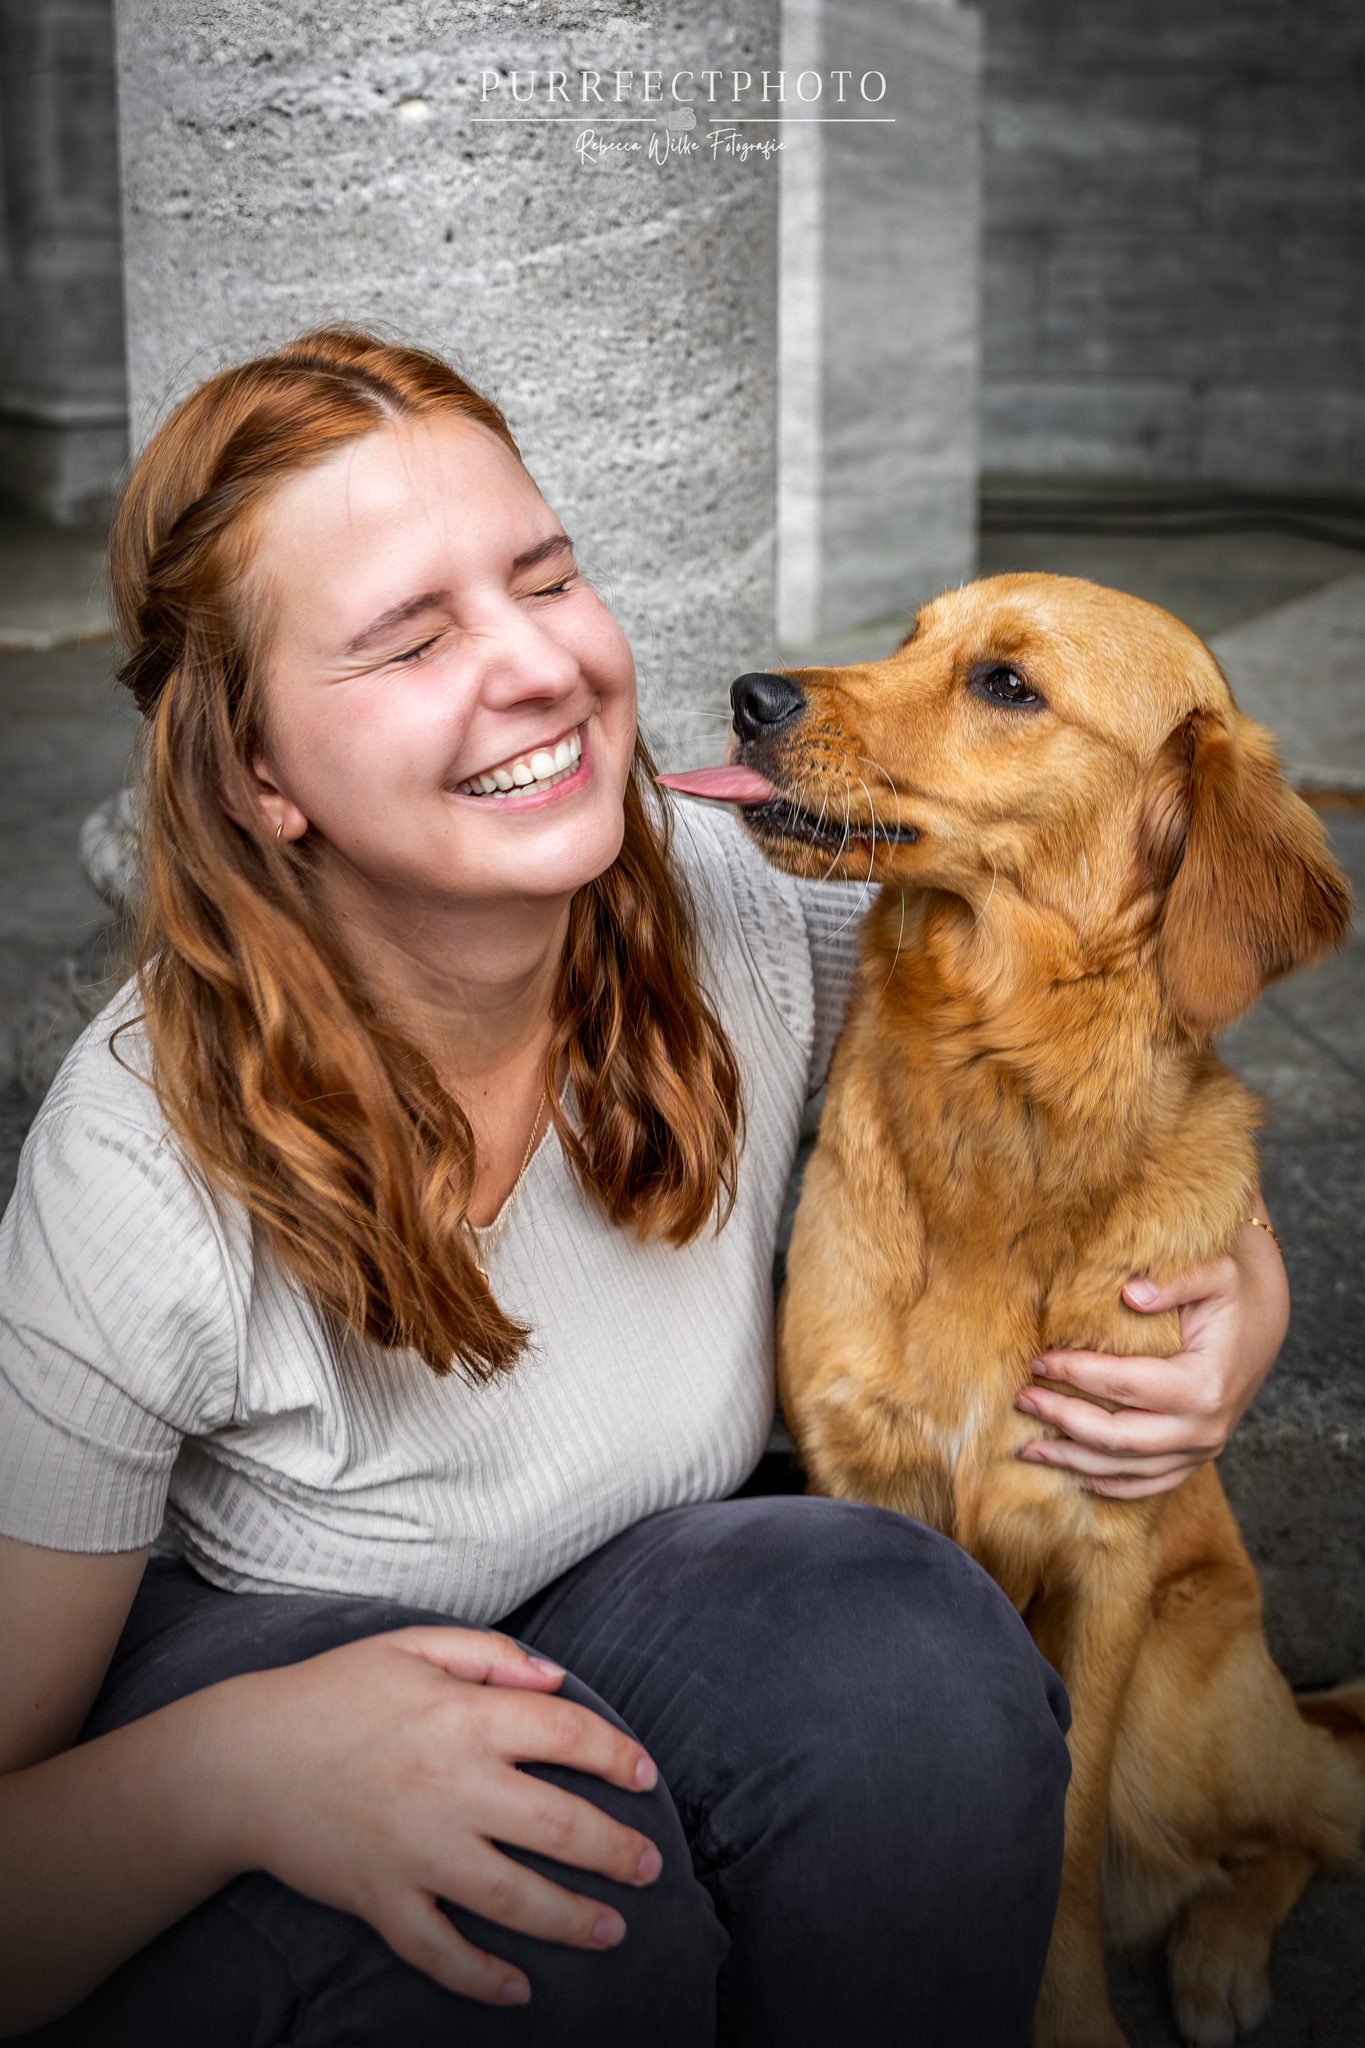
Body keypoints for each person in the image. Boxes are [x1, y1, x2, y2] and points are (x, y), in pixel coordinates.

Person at [0, 331, 1289, 2046]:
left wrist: (1237, 1291)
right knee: (558, 1926)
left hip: (648, 1594)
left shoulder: (736, 897)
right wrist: (232, 1770)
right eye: (410, 639)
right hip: (272, 1683)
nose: (539, 664)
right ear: (256, 773)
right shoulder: (131, 1164)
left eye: (544, 577)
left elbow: (1120, 1021)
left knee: (930, 1685)